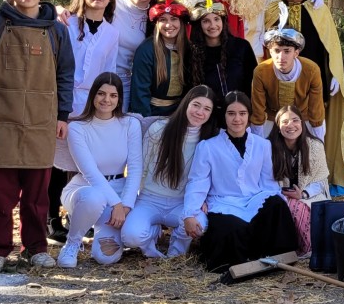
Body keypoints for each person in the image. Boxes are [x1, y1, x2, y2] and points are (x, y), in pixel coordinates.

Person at [0, 0, 75, 273]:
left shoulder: (57, 30)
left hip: (41, 120)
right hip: (1, 119)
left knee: (37, 196)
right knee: (1, 195)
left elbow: (65, 74)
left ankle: (35, 248)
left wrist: (62, 114)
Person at [182, 91, 299, 272]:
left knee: (277, 206)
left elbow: (268, 182)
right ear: (224, 116)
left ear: (249, 115)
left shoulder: (262, 145)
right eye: (231, 113)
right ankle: (241, 264)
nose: (237, 119)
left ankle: (277, 259)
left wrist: (277, 202)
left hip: (254, 199)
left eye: (242, 113)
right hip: (224, 201)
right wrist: (189, 213)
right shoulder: (208, 147)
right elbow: (197, 182)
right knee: (231, 228)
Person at [263, 0, 344, 187]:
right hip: (280, 80)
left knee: (311, 128)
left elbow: (329, 44)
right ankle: (279, 178)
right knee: (283, 126)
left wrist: (334, 75)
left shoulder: (318, 7)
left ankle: (314, 178)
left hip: (313, 79)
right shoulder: (274, 8)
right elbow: (266, 46)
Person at [47, 0, 120, 244]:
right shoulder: (66, 23)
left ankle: (77, 215)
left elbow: (108, 70)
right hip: (63, 98)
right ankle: (51, 218)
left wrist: (105, 104)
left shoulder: (112, 33)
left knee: (83, 162)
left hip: (91, 102)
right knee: (57, 160)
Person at [121, 85, 219, 258]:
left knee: (200, 226)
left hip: (182, 203)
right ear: (186, 103)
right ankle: (151, 236)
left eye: (206, 109)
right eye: (196, 105)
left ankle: (176, 251)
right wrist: (132, 200)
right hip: (150, 199)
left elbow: (210, 177)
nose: (199, 112)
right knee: (130, 237)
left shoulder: (210, 140)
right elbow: (141, 168)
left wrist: (204, 199)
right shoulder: (159, 129)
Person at [57, 72, 142, 268]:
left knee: (106, 257)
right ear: (93, 95)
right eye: (101, 94)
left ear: (120, 98)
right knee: (95, 197)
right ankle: (72, 243)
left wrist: (126, 205)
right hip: (85, 190)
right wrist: (117, 205)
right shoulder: (77, 127)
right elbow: (90, 172)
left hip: (120, 193)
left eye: (113, 95)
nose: (107, 100)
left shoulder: (131, 124)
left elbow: (136, 168)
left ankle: (104, 232)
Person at [267, 106, 331, 255]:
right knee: (288, 208)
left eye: (295, 120)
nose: (291, 125)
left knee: (300, 208)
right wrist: (285, 195)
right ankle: (295, 249)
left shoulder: (315, 146)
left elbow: (321, 181)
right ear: (278, 126)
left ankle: (308, 250)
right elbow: (266, 180)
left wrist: (303, 194)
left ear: (302, 123)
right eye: (285, 121)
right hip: (279, 195)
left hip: (311, 195)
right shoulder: (268, 148)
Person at [250, 29, 325, 139]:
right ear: (270, 51)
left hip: (303, 118)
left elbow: (316, 108)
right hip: (272, 119)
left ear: (296, 53)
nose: (281, 57)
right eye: (276, 51)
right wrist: (257, 142)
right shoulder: (261, 72)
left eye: (286, 51)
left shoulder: (311, 70)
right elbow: (258, 109)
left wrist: (318, 141)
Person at [187, 0, 258, 100]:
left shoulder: (241, 47)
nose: (213, 25)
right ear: (199, 25)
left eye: (216, 19)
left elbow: (253, 82)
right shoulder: (192, 53)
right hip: (209, 112)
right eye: (206, 21)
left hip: (239, 111)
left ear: (223, 21)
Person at [130, 1, 193, 117]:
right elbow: (140, 92)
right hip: (153, 113)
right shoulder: (146, 50)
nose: (169, 25)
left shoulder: (188, 48)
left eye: (173, 19)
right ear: (156, 24)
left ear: (181, 22)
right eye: (163, 20)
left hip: (180, 114)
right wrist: (143, 121)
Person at [111, 0, 158, 110]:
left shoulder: (155, 19)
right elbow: (81, 9)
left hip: (124, 84)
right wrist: (56, 10)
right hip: (96, 77)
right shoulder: (112, 4)